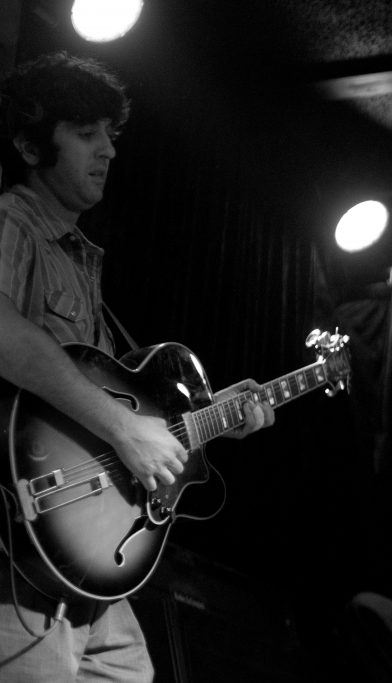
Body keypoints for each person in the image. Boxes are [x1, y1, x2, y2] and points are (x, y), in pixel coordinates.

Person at [0, 52, 275, 681]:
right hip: (18, 566)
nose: (108, 152)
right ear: (29, 143)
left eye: (111, 136)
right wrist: (126, 431)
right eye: (86, 134)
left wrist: (210, 417)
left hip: (89, 575)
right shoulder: (14, 223)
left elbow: (121, 405)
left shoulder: (79, 258)